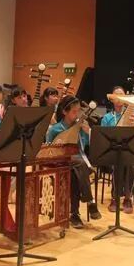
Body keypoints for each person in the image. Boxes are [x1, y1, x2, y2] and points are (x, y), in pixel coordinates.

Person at [46, 95, 101, 228]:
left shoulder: (80, 128)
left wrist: (88, 132)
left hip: (77, 165)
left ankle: (74, 214)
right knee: (79, 164)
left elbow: (87, 147)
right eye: (74, 111)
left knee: (76, 173)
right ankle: (89, 201)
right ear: (64, 111)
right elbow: (48, 151)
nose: (77, 114)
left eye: (78, 111)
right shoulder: (55, 129)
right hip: (59, 164)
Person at [100, 86, 134, 214]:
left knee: (131, 165)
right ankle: (115, 198)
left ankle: (128, 198)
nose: (119, 98)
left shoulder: (133, 113)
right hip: (113, 153)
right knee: (118, 164)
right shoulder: (107, 118)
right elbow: (103, 138)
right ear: (112, 99)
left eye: (122, 95)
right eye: (116, 95)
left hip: (130, 151)